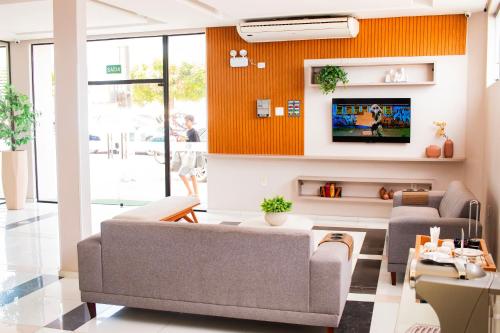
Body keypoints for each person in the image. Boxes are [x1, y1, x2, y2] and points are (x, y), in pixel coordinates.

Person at [178, 115, 200, 196]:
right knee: (192, 175)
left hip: (191, 156)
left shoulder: (194, 132)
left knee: (181, 173)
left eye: (187, 121)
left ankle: (190, 191)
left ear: (191, 122)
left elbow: (197, 145)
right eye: (185, 121)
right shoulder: (188, 131)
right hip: (188, 155)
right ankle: (196, 193)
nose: (185, 123)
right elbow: (188, 144)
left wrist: (186, 140)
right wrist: (183, 140)